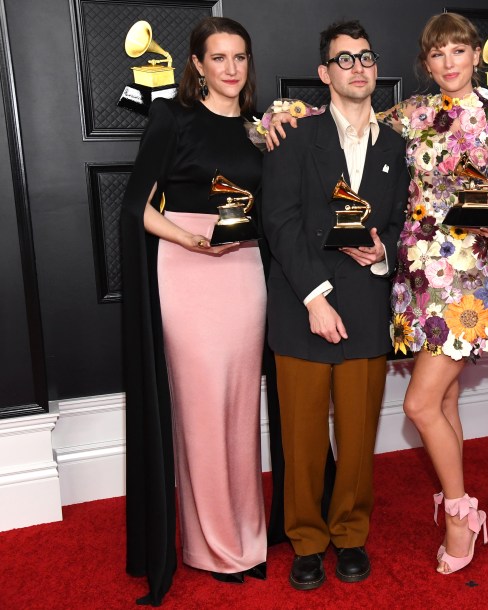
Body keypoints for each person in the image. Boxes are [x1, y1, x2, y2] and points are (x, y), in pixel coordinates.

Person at [263, 13, 488, 575]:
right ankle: (450, 508)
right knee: (446, 401)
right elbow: (345, 115)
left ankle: (460, 513)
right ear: (426, 64)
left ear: (476, 55)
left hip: (467, 283)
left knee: (419, 404)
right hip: (413, 281)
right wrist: (278, 115)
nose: (450, 61)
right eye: (438, 54)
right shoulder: (410, 116)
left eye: (460, 50)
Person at [120, 16, 267, 605]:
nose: (231, 69)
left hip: (244, 270)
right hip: (188, 270)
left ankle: (249, 536)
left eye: (240, 57)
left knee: (239, 408)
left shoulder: (261, 129)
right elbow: (138, 206)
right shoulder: (171, 119)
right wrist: (189, 241)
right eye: (219, 58)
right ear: (198, 65)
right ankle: (210, 547)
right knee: (203, 410)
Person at [260, 20, 408, 590]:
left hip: (367, 310)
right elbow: (281, 221)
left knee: (356, 435)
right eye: (344, 60)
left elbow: (398, 226)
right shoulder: (293, 136)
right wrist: (316, 299)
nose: (357, 68)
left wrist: (380, 252)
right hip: (303, 309)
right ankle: (306, 540)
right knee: (300, 438)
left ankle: (349, 534)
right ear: (324, 74)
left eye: (365, 58)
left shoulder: (395, 145)